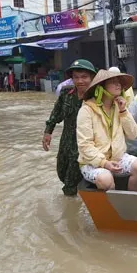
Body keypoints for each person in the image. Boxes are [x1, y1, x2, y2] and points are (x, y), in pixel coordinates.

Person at [77, 69, 137, 191]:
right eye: (113, 82)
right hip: (92, 162)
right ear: (101, 87)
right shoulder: (86, 110)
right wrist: (104, 163)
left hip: (116, 157)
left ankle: (131, 200)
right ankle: (113, 207)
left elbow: (133, 134)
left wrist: (124, 111)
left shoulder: (119, 107)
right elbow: (84, 145)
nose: (118, 84)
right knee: (106, 179)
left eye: (119, 82)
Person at [43, 59, 97, 196]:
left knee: (69, 184)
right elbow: (56, 113)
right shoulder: (66, 94)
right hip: (66, 142)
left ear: (92, 78)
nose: (80, 81)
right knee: (61, 173)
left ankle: (71, 211)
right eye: (76, 77)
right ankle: (79, 197)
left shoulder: (97, 98)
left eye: (84, 77)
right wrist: (48, 132)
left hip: (83, 145)